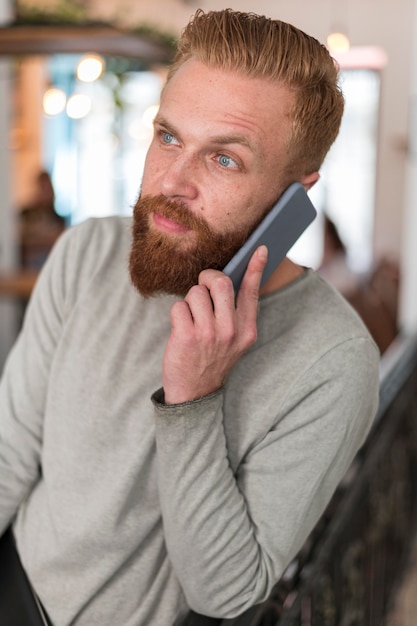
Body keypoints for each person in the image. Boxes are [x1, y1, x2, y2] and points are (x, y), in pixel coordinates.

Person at [0, 9, 379, 626]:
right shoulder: (88, 253)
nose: (172, 181)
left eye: (224, 159)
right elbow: (10, 454)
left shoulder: (335, 358)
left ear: (296, 195)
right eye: (169, 136)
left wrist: (193, 402)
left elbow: (224, 592)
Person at [19, 170, 66, 271]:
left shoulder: (58, 218)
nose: (45, 192)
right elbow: (20, 240)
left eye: (47, 188)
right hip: (28, 269)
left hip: (50, 267)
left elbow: (60, 242)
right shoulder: (25, 214)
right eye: (42, 188)